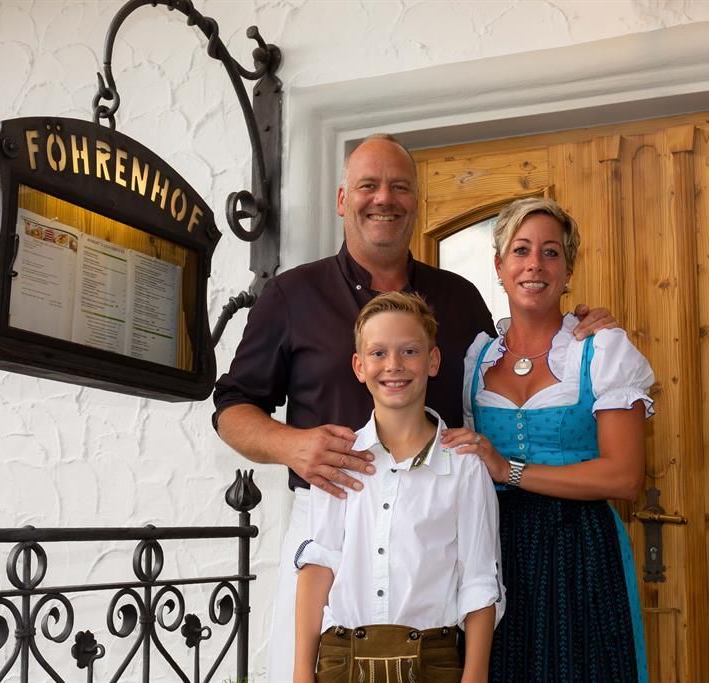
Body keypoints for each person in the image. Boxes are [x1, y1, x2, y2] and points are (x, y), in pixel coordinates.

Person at [212, 134, 614, 682]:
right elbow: (231, 407)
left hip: (438, 533)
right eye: (368, 186)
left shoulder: (460, 299)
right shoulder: (289, 295)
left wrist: (574, 329)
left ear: (416, 202)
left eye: (400, 187)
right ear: (342, 199)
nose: (384, 198)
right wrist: (292, 446)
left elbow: (514, 360)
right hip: (331, 524)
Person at [442, 197, 654, 682]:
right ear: (499, 266)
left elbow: (624, 477)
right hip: (494, 549)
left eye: (551, 252)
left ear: (568, 269)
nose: (534, 264)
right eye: (521, 250)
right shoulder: (476, 360)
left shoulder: (602, 350)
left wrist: (508, 470)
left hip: (580, 549)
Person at [293, 291, 503, 683]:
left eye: (409, 351)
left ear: (433, 361)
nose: (393, 365)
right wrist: (301, 673)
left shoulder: (464, 466)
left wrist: (475, 676)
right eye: (378, 353)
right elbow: (318, 567)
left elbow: (479, 582)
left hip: (432, 662)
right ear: (359, 366)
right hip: (341, 660)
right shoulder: (338, 458)